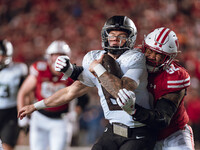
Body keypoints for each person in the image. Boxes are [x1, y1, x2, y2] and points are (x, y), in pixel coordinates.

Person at [18, 15, 157, 150]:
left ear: (129, 39)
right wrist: (35, 106)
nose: (115, 40)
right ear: (105, 36)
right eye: (112, 35)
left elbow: (122, 91)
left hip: (139, 130)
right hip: (114, 129)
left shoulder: (134, 59)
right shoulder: (96, 58)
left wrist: (97, 68)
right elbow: (70, 92)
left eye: (121, 36)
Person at [117, 27, 195, 150]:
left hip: (172, 133)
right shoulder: (133, 59)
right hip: (141, 132)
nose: (151, 56)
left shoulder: (175, 76)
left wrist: (133, 110)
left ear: (169, 58)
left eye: (159, 54)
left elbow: (161, 119)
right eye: (149, 50)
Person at [17, 40, 74, 150]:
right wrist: (22, 118)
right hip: (39, 117)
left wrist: (75, 113)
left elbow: (80, 97)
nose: (58, 58)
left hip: (61, 119)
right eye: (55, 55)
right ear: (49, 56)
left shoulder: (72, 73)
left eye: (62, 55)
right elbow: (23, 92)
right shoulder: (40, 69)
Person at [0, 39, 28, 150]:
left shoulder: (18, 69)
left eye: (2, 55)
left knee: (7, 147)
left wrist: (25, 115)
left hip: (10, 112)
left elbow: (25, 93)